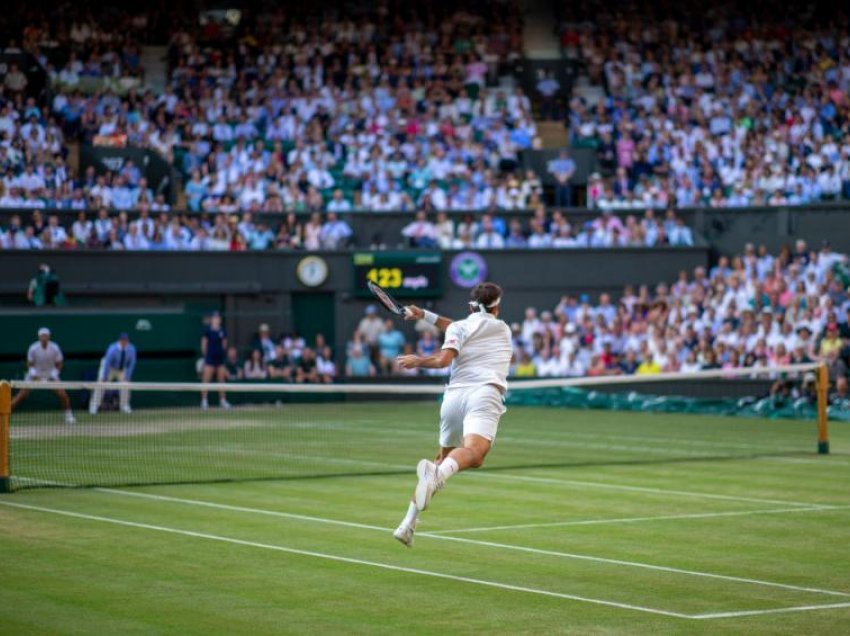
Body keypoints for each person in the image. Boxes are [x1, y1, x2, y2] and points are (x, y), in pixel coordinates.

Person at [392, 282, 513, 547]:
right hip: (483, 394)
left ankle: (407, 524)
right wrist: (420, 359)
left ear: (470, 306)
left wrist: (423, 315)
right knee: (476, 455)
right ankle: (436, 476)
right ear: (497, 307)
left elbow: (450, 337)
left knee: (442, 460)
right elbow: (443, 359)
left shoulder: (460, 326)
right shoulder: (503, 328)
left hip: (453, 400)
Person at [11, 327, 76, 424]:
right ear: (39, 337)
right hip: (34, 375)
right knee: (22, 395)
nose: (44, 338)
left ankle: (69, 416)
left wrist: (53, 376)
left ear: (49, 337)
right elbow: (30, 364)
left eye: (46, 336)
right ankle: (5, 414)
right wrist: (35, 376)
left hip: (51, 375)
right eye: (42, 336)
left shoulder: (55, 348)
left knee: (63, 394)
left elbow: (59, 364)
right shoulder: (33, 348)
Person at [89, 333, 137, 414]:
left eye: (126, 340)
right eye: (123, 340)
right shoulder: (112, 349)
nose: (124, 342)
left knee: (126, 385)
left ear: (128, 341)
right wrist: (104, 377)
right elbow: (107, 363)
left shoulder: (132, 349)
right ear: (119, 340)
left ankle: (124, 406)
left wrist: (127, 377)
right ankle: (94, 406)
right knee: (101, 385)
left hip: (121, 369)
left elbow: (132, 363)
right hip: (109, 367)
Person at [200, 312, 231, 409]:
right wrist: (206, 356)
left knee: (221, 380)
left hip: (220, 359)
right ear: (212, 319)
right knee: (206, 380)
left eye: (218, 317)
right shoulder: (207, 331)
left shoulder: (223, 331)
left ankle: (222, 401)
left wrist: (221, 353)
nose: (216, 319)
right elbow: (204, 344)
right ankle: (204, 401)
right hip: (210, 358)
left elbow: (224, 344)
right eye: (214, 317)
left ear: (220, 320)